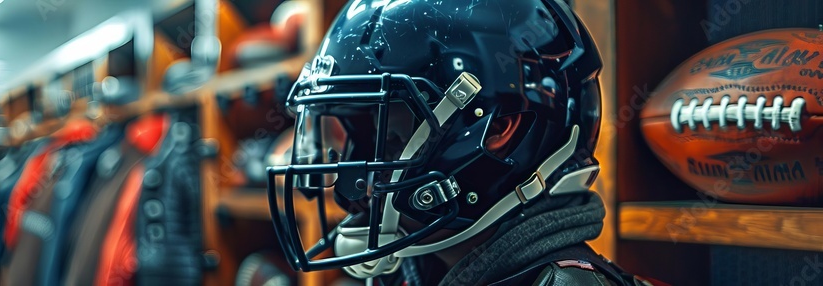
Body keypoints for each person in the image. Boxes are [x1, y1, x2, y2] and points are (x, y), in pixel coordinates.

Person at [264, 0, 660, 285]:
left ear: (499, 129)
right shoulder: (421, 268)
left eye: (391, 139)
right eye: (363, 135)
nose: (359, 184)